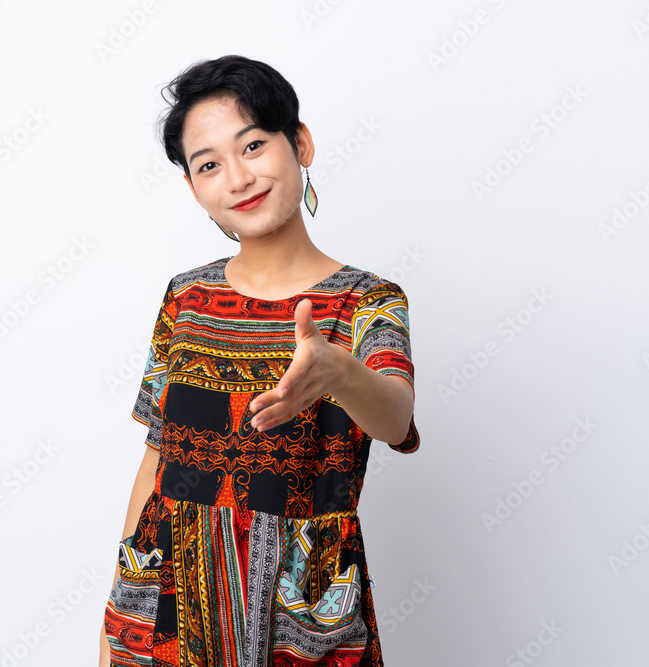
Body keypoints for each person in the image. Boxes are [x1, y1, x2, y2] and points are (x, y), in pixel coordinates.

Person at [100, 54, 419, 667]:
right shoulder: (185, 298)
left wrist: (339, 373)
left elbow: (397, 420)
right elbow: (157, 457)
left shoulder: (367, 301)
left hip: (302, 612)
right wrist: (116, 620)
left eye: (253, 146)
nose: (238, 179)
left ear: (299, 143)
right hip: (164, 605)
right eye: (210, 165)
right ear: (194, 189)